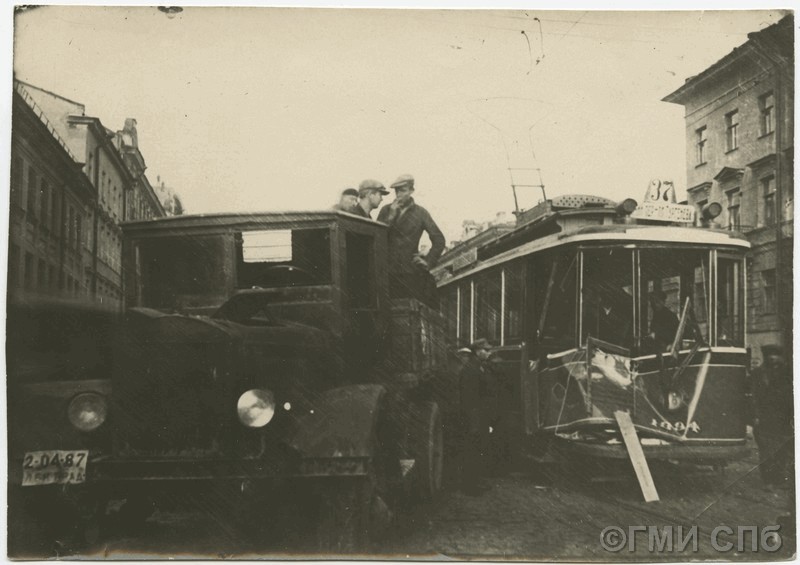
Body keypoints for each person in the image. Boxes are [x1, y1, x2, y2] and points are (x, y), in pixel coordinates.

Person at [377, 174, 445, 308]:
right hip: (388, 272)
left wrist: (428, 261)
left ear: (411, 191)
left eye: (403, 191)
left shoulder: (421, 213)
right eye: (397, 191)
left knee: (409, 311)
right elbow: (377, 237)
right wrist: (391, 217)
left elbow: (439, 240)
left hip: (410, 273)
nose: (399, 195)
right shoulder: (386, 210)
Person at [752, 344, 794, 488]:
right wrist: (755, 415)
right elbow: (753, 396)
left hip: (784, 417)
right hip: (764, 417)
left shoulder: (788, 372)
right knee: (766, 450)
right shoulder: (758, 373)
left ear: (780, 357)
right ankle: (768, 481)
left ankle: (780, 479)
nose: (772, 358)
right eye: (769, 355)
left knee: (782, 450)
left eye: (775, 355)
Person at [456, 338, 494, 495]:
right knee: (472, 449)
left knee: (478, 449)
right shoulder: (471, 369)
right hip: (474, 416)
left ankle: (475, 482)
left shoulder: (478, 366)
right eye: (486, 350)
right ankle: (470, 486)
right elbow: (469, 397)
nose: (489, 353)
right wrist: (474, 421)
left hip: (479, 415)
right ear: (478, 351)